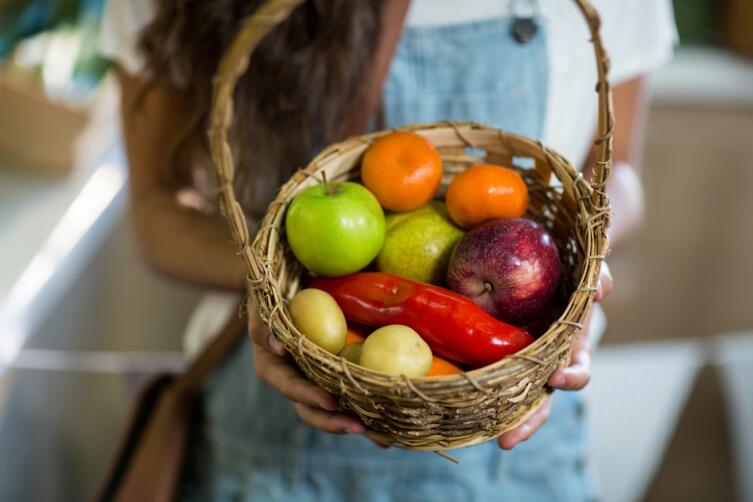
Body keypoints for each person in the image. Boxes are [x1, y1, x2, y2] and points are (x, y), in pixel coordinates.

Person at [100, 0, 676, 499]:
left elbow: (618, 172)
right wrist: (272, 281)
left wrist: (584, 269)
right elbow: (154, 210)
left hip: (516, 439)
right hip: (269, 435)